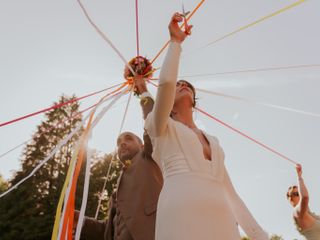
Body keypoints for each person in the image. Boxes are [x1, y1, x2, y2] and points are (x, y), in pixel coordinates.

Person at [144, 12, 269, 239]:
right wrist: (175, 43)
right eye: (177, 85)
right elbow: (166, 83)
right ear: (167, 100)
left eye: (186, 85)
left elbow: (231, 194)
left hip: (220, 219)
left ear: (194, 99)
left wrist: (259, 235)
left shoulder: (215, 142)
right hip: (179, 213)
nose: (181, 85)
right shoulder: (159, 127)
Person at [77, 78, 163, 240]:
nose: (122, 143)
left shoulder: (149, 157)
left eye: (128, 138)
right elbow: (109, 229)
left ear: (143, 145)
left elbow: (154, 122)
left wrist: (143, 90)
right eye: (118, 142)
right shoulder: (118, 189)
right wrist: (81, 222)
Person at [287, 164, 320, 239]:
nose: (300, 195)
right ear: (290, 199)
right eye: (296, 194)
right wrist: (299, 177)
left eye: (299, 192)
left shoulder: (314, 216)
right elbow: (304, 197)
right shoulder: (297, 213)